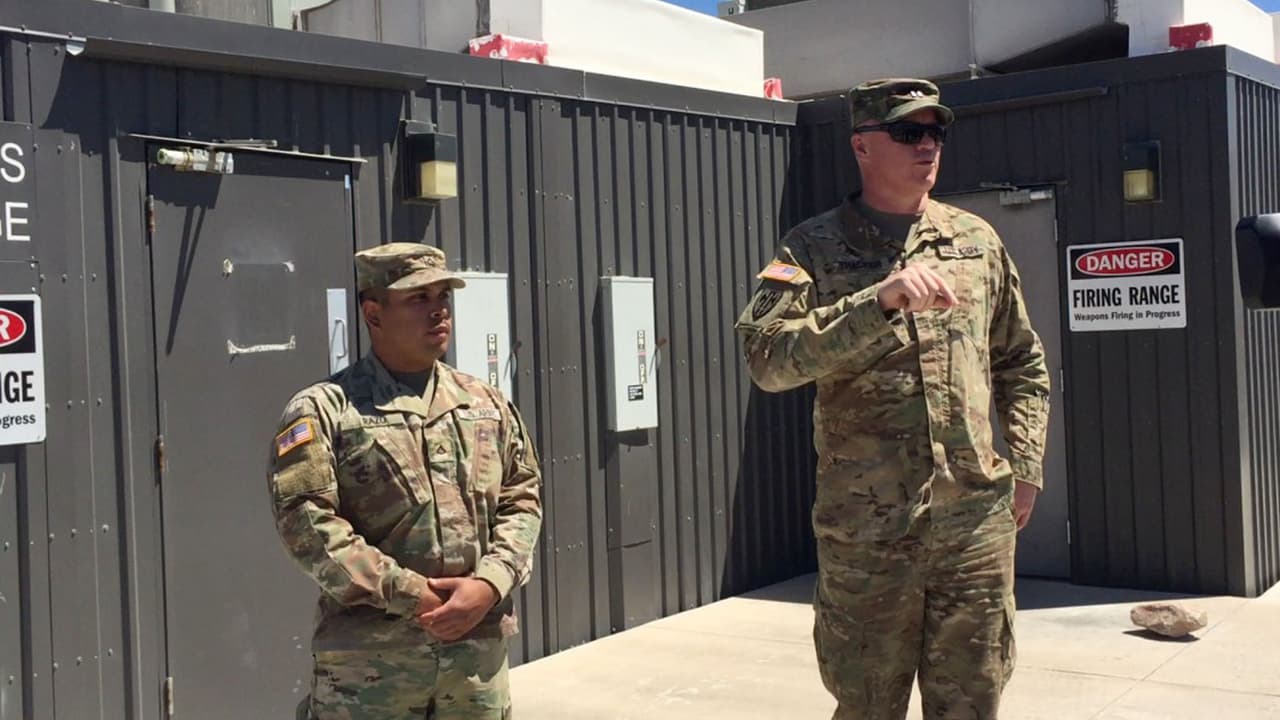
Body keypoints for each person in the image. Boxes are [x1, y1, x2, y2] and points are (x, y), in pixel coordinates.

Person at [734, 78, 1050, 719]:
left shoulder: (977, 241)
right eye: (909, 132)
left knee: (973, 700)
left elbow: (1021, 360)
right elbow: (766, 360)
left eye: (936, 132)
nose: (928, 146)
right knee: (867, 704)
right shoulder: (809, 249)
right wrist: (876, 302)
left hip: (974, 524)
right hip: (869, 532)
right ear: (863, 146)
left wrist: (1025, 466)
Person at [267, 242, 543, 720]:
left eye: (443, 296)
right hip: (371, 675)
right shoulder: (325, 410)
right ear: (373, 314)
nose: (438, 309)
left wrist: (490, 584)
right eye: (418, 298)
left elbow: (523, 499)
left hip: (474, 665)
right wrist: (415, 596)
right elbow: (308, 528)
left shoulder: (486, 404)